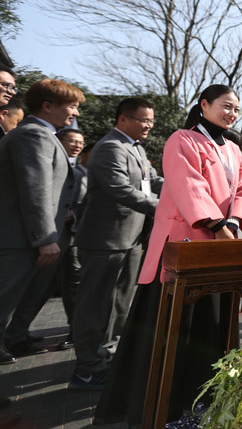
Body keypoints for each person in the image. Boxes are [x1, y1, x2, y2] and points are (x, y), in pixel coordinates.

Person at [94, 85, 242, 424]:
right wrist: (217, 225)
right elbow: (187, 186)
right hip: (185, 244)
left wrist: (238, 222)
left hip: (219, 246)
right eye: (226, 106)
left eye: (236, 109)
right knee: (169, 329)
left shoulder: (233, 150)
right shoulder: (181, 139)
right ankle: (157, 406)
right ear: (204, 105)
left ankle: (202, 404)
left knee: (210, 329)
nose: (231, 114)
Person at [70, 98, 162, 389]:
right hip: (105, 240)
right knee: (96, 304)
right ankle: (86, 368)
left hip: (131, 239)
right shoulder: (110, 147)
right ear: (123, 119)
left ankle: (104, 355)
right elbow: (120, 189)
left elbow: (153, 181)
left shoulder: (135, 148)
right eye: (143, 120)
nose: (148, 126)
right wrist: (162, 207)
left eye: (151, 121)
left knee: (120, 304)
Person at [0, 79, 83, 364]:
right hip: (18, 242)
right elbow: (35, 191)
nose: (76, 113)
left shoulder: (41, 134)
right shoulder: (33, 135)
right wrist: (46, 238)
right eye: (71, 106)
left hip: (25, 240)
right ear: (48, 107)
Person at [51, 128, 88, 351]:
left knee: (73, 284)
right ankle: (16, 332)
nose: (76, 145)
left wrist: (74, 214)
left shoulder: (84, 172)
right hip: (45, 236)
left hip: (73, 235)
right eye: (72, 141)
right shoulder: (52, 165)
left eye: (80, 142)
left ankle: (75, 330)